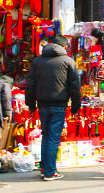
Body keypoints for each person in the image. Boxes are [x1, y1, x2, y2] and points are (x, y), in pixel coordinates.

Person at [25, 35, 81, 181]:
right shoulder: (68, 61)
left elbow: (30, 84)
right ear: (65, 47)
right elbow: (75, 87)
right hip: (58, 105)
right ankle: (50, 172)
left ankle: (45, 168)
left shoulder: (37, 61)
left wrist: (30, 104)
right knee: (53, 138)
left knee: (46, 136)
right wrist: (76, 107)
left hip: (42, 104)